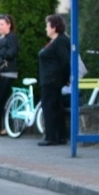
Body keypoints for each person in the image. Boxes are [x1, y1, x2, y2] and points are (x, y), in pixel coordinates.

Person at [38, 15, 71, 146]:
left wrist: (66, 77)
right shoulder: (56, 41)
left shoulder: (60, 41)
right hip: (51, 80)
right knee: (56, 107)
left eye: (47, 25)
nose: (46, 28)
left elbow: (65, 61)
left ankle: (51, 137)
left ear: (54, 27)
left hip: (52, 80)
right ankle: (59, 136)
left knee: (49, 107)